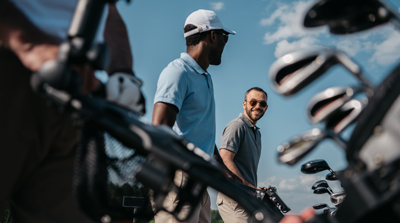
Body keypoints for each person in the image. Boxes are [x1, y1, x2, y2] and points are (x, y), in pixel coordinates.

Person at [0, 1, 144, 222]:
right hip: (13, 64)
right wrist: (29, 44)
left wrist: (123, 74)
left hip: (78, 94)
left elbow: (110, 13)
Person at [151, 9, 235, 223]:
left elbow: (201, 132)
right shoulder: (178, 72)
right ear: (213, 36)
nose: (226, 43)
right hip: (179, 181)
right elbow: (159, 129)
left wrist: (225, 173)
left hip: (200, 183)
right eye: (224, 37)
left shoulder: (205, 78)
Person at [217, 87, 269, 223]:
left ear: (266, 107)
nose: (258, 106)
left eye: (262, 104)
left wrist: (256, 190)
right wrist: (251, 188)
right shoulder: (237, 126)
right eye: (253, 102)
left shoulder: (256, 132)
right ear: (244, 104)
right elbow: (225, 160)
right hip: (233, 198)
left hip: (245, 198)